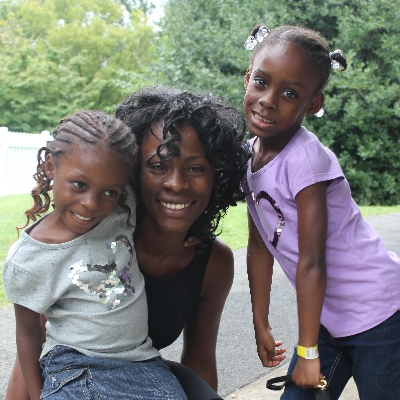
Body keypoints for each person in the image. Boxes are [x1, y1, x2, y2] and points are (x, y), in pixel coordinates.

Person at [5, 88, 285, 400]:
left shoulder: (212, 262)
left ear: (217, 175)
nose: (176, 183)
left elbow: (200, 360)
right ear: (133, 173)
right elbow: (33, 343)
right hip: (77, 376)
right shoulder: (95, 233)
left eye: (195, 168)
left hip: (143, 372)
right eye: (158, 166)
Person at [242, 24, 400, 400]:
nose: (268, 100)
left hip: (379, 314)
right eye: (261, 82)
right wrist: (260, 322)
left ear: (313, 104)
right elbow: (259, 246)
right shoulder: (247, 158)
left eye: (290, 93)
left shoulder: (306, 159)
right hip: (327, 318)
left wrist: (308, 352)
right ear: (247, 78)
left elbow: (312, 263)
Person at [3, 110, 188, 400]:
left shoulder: (123, 207)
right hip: (74, 365)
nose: (91, 203)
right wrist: (37, 396)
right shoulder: (28, 261)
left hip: (141, 362)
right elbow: (28, 334)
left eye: (109, 192)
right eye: (79, 185)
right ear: (50, 167)